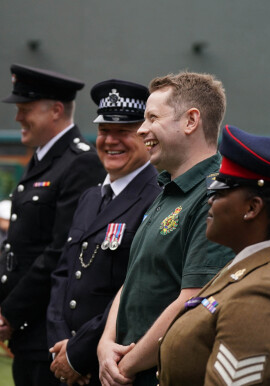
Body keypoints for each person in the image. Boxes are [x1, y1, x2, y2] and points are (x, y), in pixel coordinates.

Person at [157, 125, 270, 385]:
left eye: (219, 191)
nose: (210, 200)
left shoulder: (265, 293)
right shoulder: (250, 268)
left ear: (252, 208)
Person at [97, 70, 234, 385]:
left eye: (152, 118)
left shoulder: (215, 197)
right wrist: (105, 343)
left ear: (190, 121)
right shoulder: (167, 191)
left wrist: (126, 365)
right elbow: (135, 277)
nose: (142, 129)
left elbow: (194, 300)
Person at [0, 64, 105, 386]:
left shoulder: (81, 162)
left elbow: (59, 252)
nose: (17, 117)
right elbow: (14, 244)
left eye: (25, 109)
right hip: (25, 330)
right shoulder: (42, 159)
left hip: (46, 333)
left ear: (55, 110)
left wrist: (10, 313)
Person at [46, 79, 161, 385]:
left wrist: (79, 354)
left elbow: (135, 287)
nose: (111, 141)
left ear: (146, 136)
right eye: (104, 131)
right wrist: (60, 347)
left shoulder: (158, 198)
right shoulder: (91, 197)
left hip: (113, 364)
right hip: (65, 361)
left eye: (123, 132)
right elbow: (63, 274)